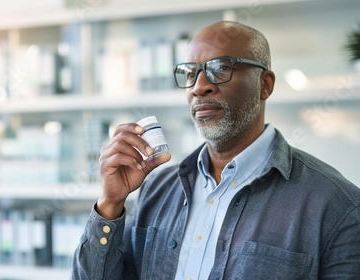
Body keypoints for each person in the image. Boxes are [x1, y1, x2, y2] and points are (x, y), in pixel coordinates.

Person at [71, 21, 360, 280]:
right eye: (190, 73)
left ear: (265, 85)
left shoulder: (337, 205)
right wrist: (110, 205)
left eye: (220, 68)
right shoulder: (157, 189)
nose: (199, 87)